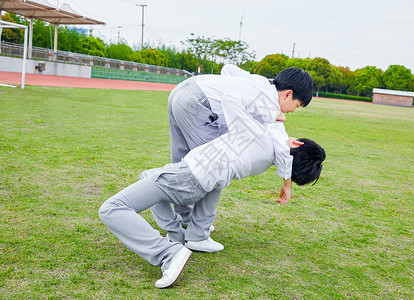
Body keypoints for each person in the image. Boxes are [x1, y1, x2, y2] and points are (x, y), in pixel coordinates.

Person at [98, 95, 325, 289]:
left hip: (187, 178)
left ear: (296, 143)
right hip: (191, 180)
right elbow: (281, 146)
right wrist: (286, 182)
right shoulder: (266, 158)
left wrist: (270, 110)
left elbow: (231, 98)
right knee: (149, 176)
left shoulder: (261, 135)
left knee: (112, 209)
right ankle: (176, 235)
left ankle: (167, 253)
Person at [150, 64, 314, 251]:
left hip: (183, 90)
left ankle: (186, 218)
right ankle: (198, 234)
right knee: (215, 166)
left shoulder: (259, 81)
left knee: (183, 159)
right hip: (197, 103)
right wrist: (287, 183)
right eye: (297, 105)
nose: (291, 111)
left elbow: (228, 68)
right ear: (287, 94)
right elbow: (282, 146)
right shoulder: (272, 106)